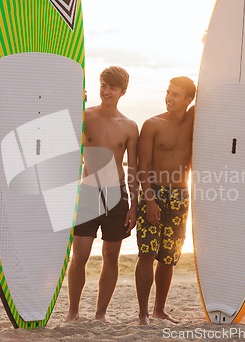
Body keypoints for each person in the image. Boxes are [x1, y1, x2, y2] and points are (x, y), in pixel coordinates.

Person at [65, 66, 139, 322]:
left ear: (122, 92)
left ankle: (100, 314)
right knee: (80, 255)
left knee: (111, 257)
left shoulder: (129, 126)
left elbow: (134, 169)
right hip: (87, 193)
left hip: (117, 196)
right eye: (103, 85)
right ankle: (73, 311)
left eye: (113, 88)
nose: (106, 92)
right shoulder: (84, 116)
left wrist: (134, 206)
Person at [135, 76, 196, 325]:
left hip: (180, 195)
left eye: (176, 94)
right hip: (154, 192)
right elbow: (142, 167)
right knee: (147, 253)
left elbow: (213, 87)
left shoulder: (194, 120)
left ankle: (160, 309)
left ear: (189, 100)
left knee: (168, 257)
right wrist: (149, 200)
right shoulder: (152, 124)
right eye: (168, 92)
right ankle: (143, 313)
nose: (169, 98)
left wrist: (208, 45)